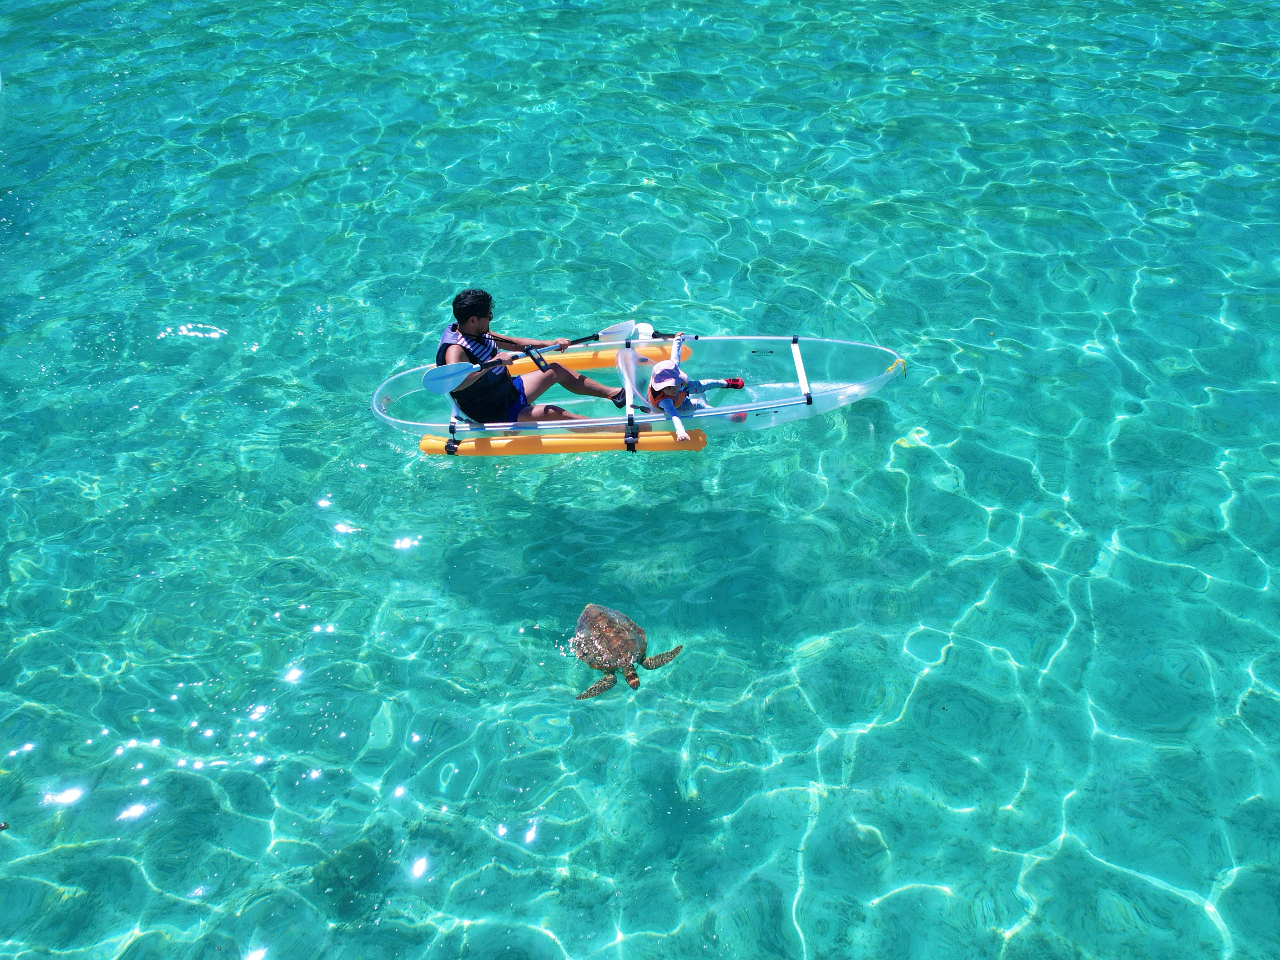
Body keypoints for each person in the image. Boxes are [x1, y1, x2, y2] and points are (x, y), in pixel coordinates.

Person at [439, 289, 627, 424]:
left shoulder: (476, 331)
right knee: (552, 412)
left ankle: (616, 394)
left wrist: (550, 343)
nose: (490, 318)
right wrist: (492, 363)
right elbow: (456, 384)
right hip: (493, 412)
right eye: (489, 315)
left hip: (507, 392)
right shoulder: (456, 350)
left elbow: (514, 342)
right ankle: (607, 427)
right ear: (473, 320)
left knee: (555, 370)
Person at [645, 333, 745, 441]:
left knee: (703, 384)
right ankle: (729, 417)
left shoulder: (672, 371)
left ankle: (726, 383)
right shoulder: (665, 401)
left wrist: (678, 339)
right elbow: (674, 416)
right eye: (668, 387)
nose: (673, 389)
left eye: (675, 384)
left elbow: (675, 356)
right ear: (660, 387)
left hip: (682, 388)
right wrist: (681, 432)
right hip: (678, 405)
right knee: (699, 404)